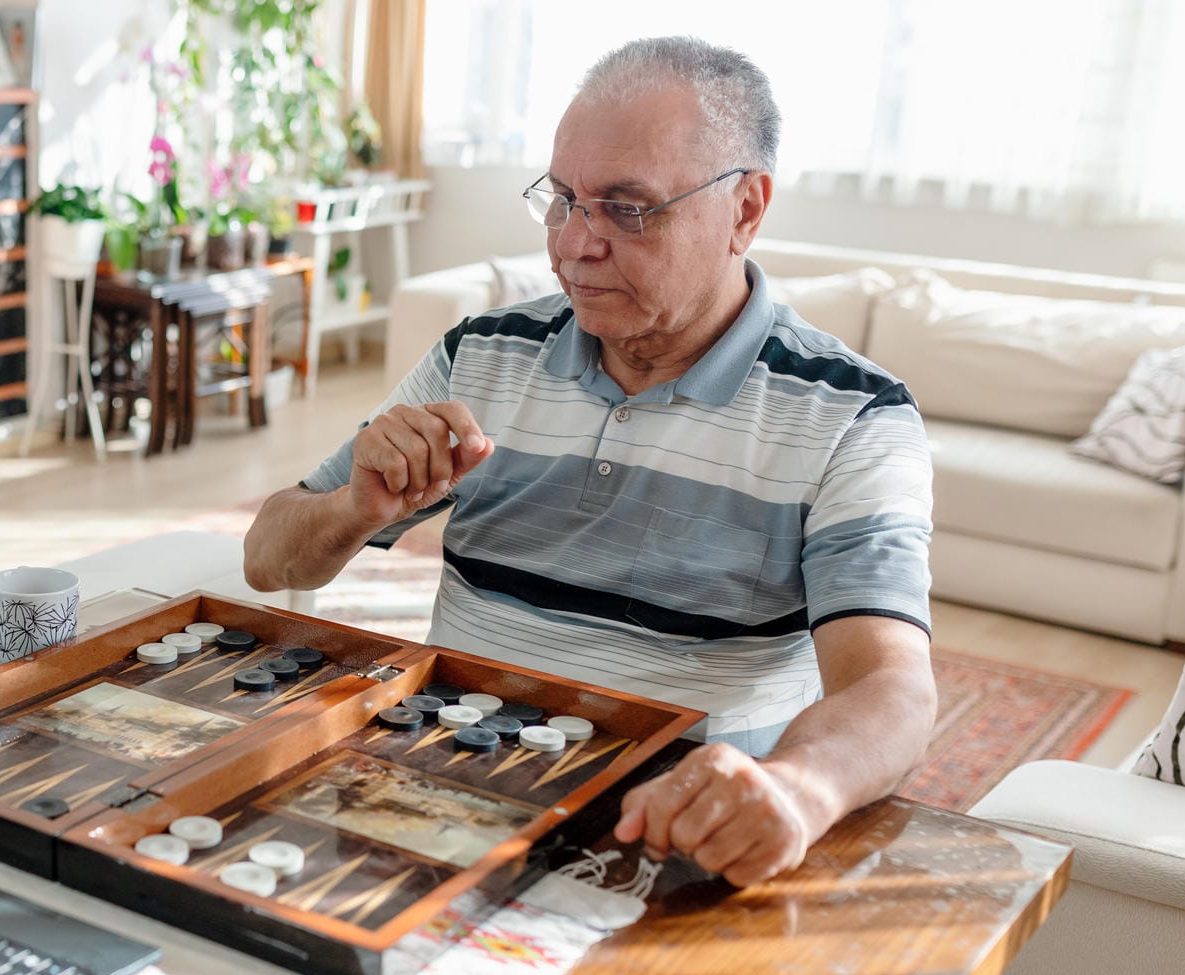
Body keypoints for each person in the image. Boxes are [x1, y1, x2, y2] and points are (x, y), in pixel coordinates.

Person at [243, 37, 936, 887]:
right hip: (446, 788)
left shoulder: (855, 414)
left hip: (676, 836)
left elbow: (892, 690)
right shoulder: (482, 354)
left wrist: (796, 790)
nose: (575, 244)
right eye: (563, 199)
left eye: (628, 209)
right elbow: (268, 558)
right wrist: (354, 506)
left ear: (746, 210)